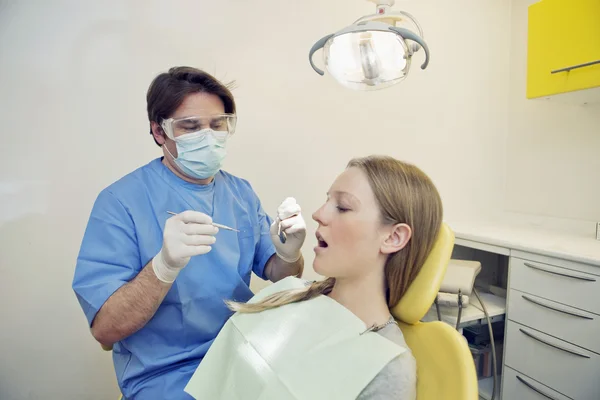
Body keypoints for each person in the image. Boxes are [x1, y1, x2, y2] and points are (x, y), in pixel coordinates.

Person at [72, 66, 306, 400]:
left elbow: (279, 275)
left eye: (218, 123)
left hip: (244, 355)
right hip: (166, 378)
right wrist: (163, 266)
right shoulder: (120, 203)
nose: (208, 136)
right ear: (159, 132)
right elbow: (106, 330)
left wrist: (289, 255)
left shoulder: (240, 192)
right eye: (191, 126)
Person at [184, 155, 444, 400]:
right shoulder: (287, 293)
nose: (319, 214)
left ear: (393, 237)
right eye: (327, 201)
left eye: (342, 207)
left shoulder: (388, 368)